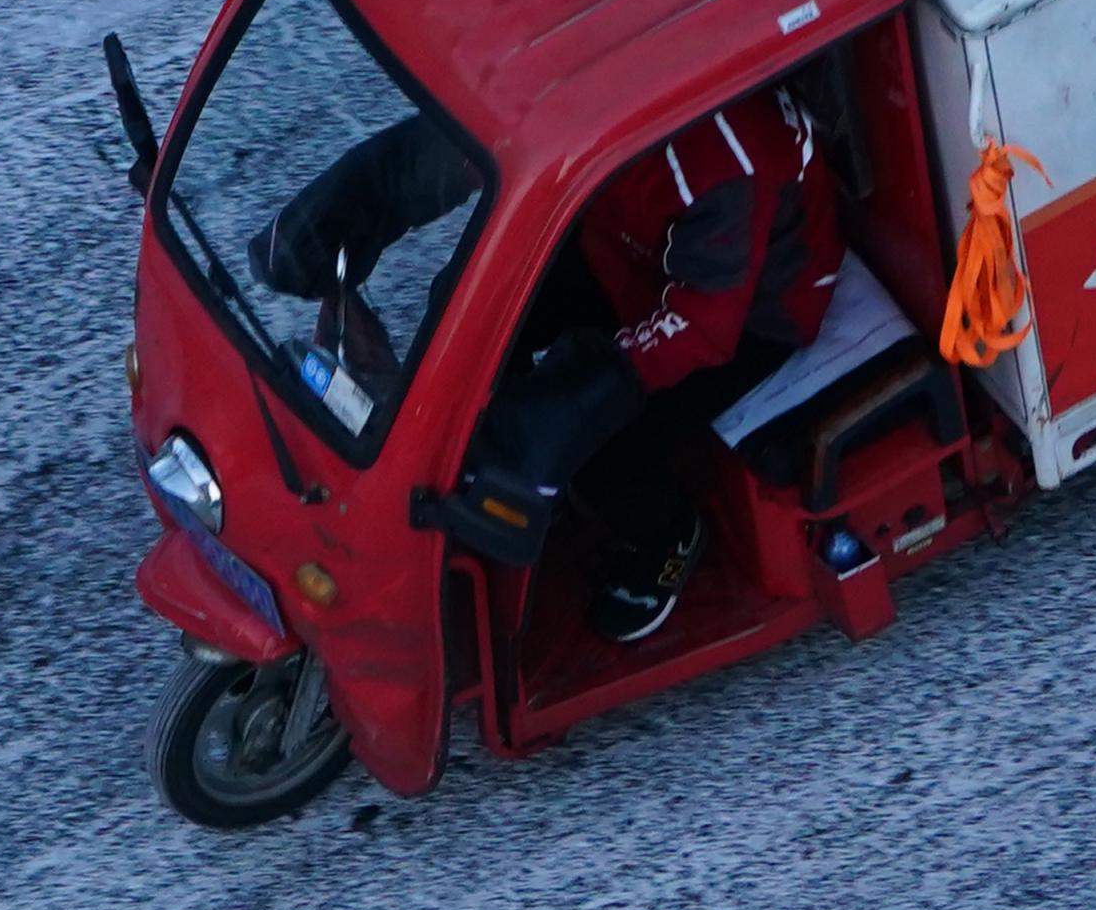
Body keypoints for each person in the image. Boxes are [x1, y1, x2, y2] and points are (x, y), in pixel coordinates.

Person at [266, 84, 842, 642]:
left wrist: (576, 394)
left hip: (753, 312)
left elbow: (703, 326)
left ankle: (668, 535)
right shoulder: (587, 80)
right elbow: (491, 145)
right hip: (631, 242)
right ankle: (476, 461)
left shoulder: (722, 162)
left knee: (606, 451)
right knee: (468, 307)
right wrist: (376, 196)